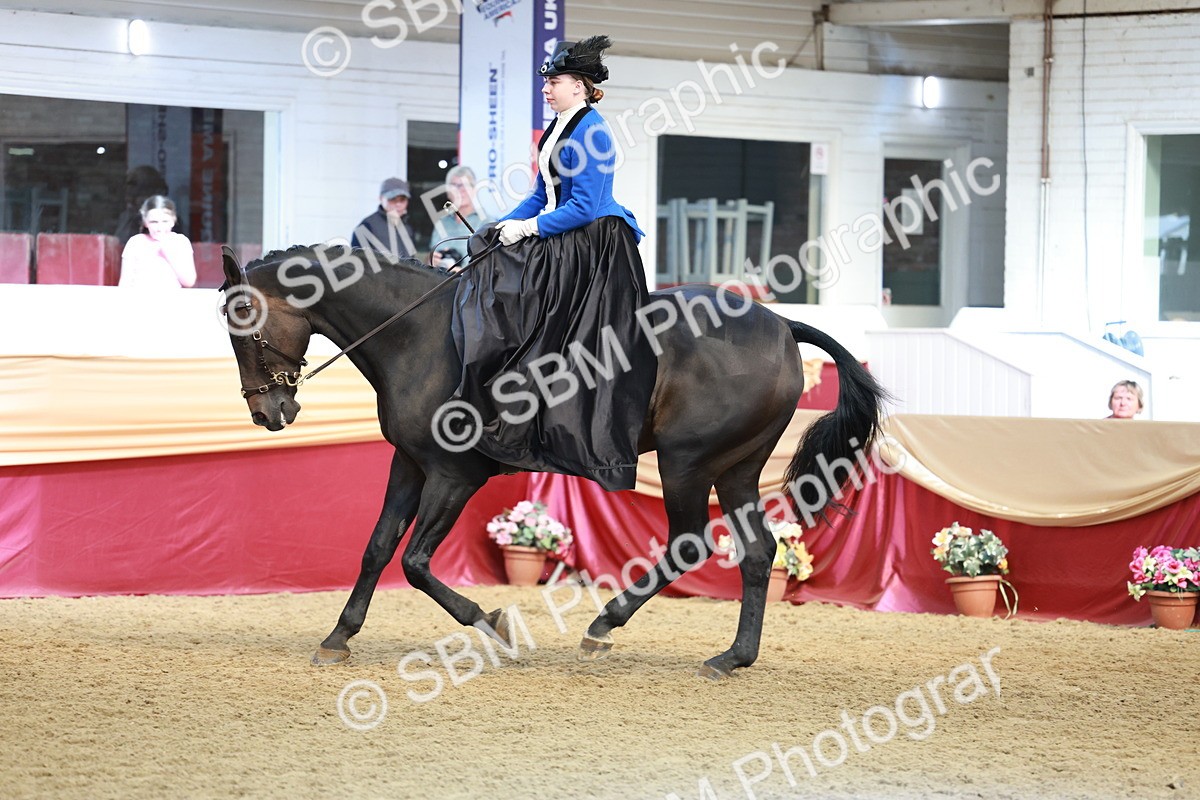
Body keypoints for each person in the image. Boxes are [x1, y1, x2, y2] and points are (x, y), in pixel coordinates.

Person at [451, 35, 657, 493]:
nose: (546, 88)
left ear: (580, 86)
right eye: (546, 81)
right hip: (564, 234)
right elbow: (540, 196)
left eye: (554, 81)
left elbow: (584, 206)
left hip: (594, 244)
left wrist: (527, 231)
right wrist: (498, 226)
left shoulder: (594, 131)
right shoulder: (559, 126)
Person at [118, 195, 196, 288]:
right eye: (154, 222)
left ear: (173, 220)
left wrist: (168, 253)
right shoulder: (136, 243)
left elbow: (189, 281)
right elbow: (125, 283)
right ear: (145, 222)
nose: (159, 228)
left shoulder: (180, 242)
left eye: (165, 221)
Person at [429, 166, 488, 270]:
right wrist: (431, 260)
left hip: (473, 285)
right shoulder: (441, 223)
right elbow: (430, 260)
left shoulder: (487, 223)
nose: (460, 190)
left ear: (474, 190)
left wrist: (463, 273)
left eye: (465, 185)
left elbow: (491, 265)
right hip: (440, 282)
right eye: (454, 186)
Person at [351, 177, 417, 261]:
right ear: (381, 198)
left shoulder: (408, 227)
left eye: (402, 199)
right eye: (392, 199)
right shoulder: (366, 227)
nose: (398, 204)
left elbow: (411, 261)